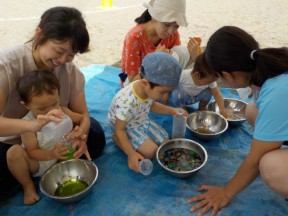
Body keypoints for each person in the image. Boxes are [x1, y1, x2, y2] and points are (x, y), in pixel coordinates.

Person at [0, 6, 105, 195]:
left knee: (96, 137)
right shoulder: (6, 67)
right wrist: (32, 126)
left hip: (56, 135)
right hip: (12, 141)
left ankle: (46, 165)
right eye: (59, 50)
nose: (63, 60)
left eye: (71, 54)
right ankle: (29, 176)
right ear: (39, 34)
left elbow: (83, 115)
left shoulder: (70, 71)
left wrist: (82, 135)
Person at [187, 26, 288, 215]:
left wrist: (225, 193)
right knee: (252, 110)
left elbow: (254, 160)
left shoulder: (278, 93)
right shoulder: (271, 65)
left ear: (228, 76)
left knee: (271, 165)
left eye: (219, 78)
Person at [7, 70, 88, 205]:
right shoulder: (28, 124)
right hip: (38, 163)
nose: (50, 111)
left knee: (81, 147)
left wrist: (81, 131)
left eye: (54, 104)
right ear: (26, 104)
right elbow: (31, 152)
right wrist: (51, 154)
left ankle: (66, 174)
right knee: (13, 153)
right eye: (43, 109)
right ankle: (28, 186)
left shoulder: (62, 111)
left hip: (62, 157)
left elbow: (83, 118)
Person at [109, 52, 186, 173]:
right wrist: (131, 154)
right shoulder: (126, 101)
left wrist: (172, 110)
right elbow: (119, 129)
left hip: (141, 119)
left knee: (166, 143)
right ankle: (118, 141)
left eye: (168, 92)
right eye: (163, 92)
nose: (165, 97)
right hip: (126, 127)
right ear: (145, 83)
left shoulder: (147, 90)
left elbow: (151, 105)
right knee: (150, 152)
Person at [119, 0, 201, 86]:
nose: (170, 31)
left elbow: (176, 67)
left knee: (183, 52)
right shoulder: (135, 37)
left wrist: (193, 57)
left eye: (176, 26)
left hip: (157, 74)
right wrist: (154, 61)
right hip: (135, 79)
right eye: (167, 24)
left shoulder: (173, 34)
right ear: (154, 17)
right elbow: (132, 81)